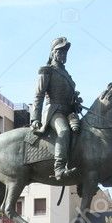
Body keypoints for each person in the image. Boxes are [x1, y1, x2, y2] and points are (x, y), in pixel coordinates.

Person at [31, 37, 83, 182]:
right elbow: (38, 95)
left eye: (65, 52)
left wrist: (75, 104)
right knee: (64, 131)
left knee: (84, 132)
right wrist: (35, 118)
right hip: (54, 111)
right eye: (60, 51)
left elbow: (70, 99)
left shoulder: (67, 75)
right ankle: (59, 168)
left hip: (69, 112)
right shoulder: (47, 71)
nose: (63, 55)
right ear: (53, 53)